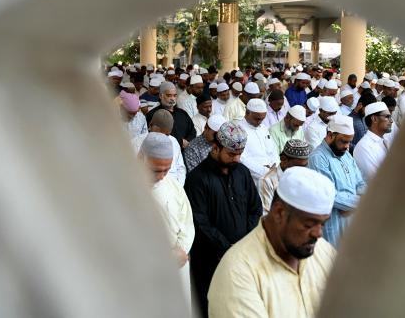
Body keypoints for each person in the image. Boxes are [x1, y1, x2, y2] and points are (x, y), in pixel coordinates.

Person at [208, 167, 336, 318]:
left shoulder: (324, 251)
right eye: (308, 224)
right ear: (279, 213)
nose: (318, 233)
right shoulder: (237, 272)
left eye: (323, 224)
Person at [185, 122, 262, 317]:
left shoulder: (242, 173)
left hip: (242, 256)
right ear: (216, 148)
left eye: (239, 154)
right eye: (231, 154)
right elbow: (200, 222)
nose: (237, 158)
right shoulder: (197, 179)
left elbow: (255, 209)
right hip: (210, 259)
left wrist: (244, 244)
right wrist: (227, 248)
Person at [139, 133, 194, 308]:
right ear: (141, 158)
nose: (162, 176)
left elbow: (187, 224)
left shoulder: (174, 186)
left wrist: (181, 250)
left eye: (167, 170)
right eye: (156, 170)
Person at [308, 114, 366, 247]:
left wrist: (353, 204)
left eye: (349, 142)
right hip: (333, 223)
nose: (347, 146)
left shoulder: (346, 155)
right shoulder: (318, 158)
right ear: (330, 135)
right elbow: (330, 195)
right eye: (343, 141)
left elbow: (360, 182)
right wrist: (359, 203)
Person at [259, 140, 312, 214]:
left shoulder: (304, 177)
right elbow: (267, 214)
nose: (301, 171)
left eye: (305, 166)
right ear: (283, 159)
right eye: (298, 167)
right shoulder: (267, 181)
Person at [239, 99, 280, 187]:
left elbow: (273, 150)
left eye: (262, 119)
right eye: (257, 119)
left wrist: (275, 166)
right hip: (252, 178)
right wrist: (264, 171)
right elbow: (241, 158)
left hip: (272, 175)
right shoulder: (238, 130)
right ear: (247, 112)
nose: (260, 122)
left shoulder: (263, 128)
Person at [146, 82, 196, 149]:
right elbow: (156, 136)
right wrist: (180, 142)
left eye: (174, 95)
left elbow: (192, 131)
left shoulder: (182, 113)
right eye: (169, 95)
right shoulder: (153, 114)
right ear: (161, 96)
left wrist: (187, 142)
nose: (172, 98)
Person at [352, 102, 393, 182]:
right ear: (374, 119)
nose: (391, 121)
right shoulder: (364, 147)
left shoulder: (385, 141)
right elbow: (376, 180)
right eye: (387, 117)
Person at [145, 109, 187, 185]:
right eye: (159, 133)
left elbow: (180, 167)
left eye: (166, 135)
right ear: (150, 126)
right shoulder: (137, 143)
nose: (162, 137)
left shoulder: (174, 141)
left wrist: (178, 187)